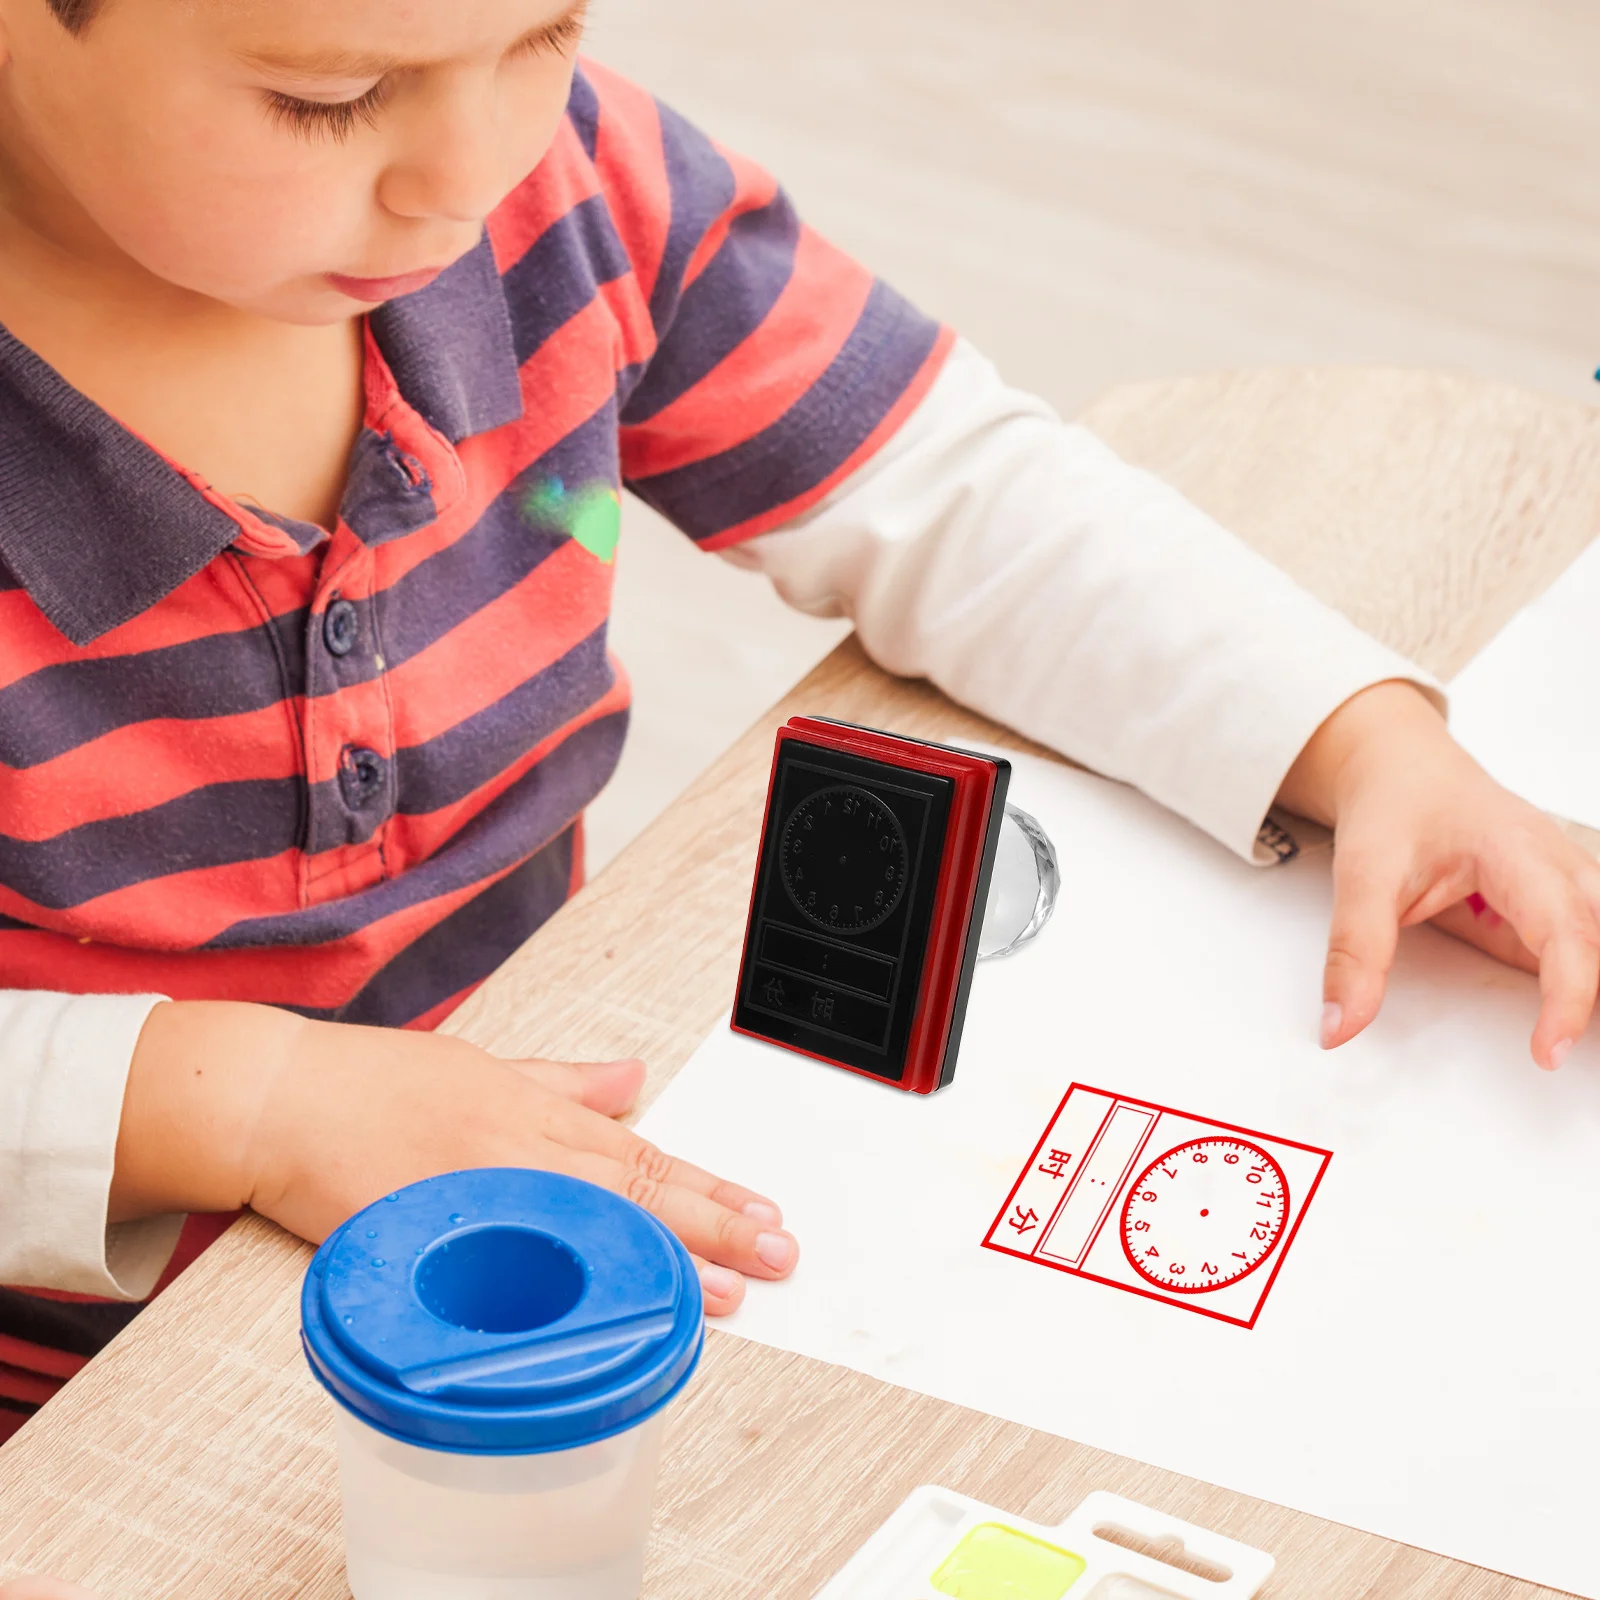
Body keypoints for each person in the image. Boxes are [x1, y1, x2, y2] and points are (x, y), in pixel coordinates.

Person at [0, 0, 1596, 1476]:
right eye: (332, 99)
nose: (468, 171)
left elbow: (958, 501)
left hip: (546, 1227)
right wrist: (252, 1108)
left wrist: (1353, 732)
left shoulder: (568, 193)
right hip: (94, 1402)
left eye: (546, 31)